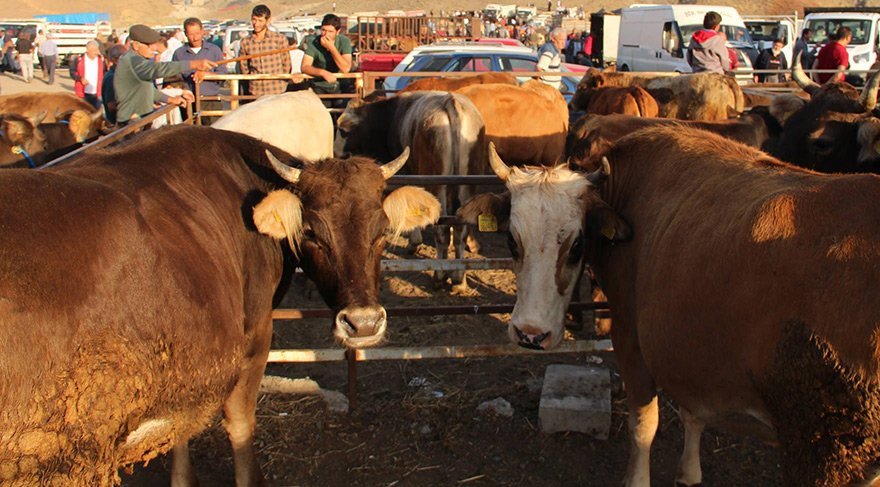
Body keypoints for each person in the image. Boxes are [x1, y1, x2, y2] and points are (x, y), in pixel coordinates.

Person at [114, 24, 215, 124]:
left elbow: (147, 91)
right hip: (131, 122)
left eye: (155, 44)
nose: (155, 49)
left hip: (141, 120)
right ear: (136, 45)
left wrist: (170, 99)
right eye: (150, 45)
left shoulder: (137, 61)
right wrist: (192, 64)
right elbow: (159, 69)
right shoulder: (133, 61)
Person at [172, 17, 226, 125]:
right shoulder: (179, 54)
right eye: (191, 34)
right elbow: (175, 79)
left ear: (202, 31)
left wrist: (207, 74)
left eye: (197, 33)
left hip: (211, 101)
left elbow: (223, 74)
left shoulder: (214, 50)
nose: (195, 38)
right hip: (189, 102)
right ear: (185, 34)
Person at [239, 4, 291, 98]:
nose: (256, 24)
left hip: (276, 90)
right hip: (255, 91)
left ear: (268, 20)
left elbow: (286, 63)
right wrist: (251, 79)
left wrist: (282, 81)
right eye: (254, 19)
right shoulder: (246, 42)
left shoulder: (279, 39)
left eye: (260, 20)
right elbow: (244, 66)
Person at [301, 14, 352, 107]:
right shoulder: (314, 42)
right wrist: (323, 73)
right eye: (323, 30)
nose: (326, 34)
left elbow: (346, 68)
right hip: (319, 86)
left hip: (340, 86)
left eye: (330, 31)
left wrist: (332, 48)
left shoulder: (344, 41)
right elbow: (304, 66)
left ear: (338, 32)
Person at [74, 40, 105, 110]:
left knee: (97, 114)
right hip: (83, 94)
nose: (96, 52)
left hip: (97, 94)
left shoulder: (101, 61)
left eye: (97, 49)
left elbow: (105, 73)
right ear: (88, 50)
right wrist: (80, 78)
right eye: (94, 50)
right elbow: (72, 73)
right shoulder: (79, 60)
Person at [102, 44, 127, 126]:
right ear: (115, 60)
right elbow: (111, 106)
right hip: (118, 125)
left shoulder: (119, 74)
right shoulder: (112, 78)